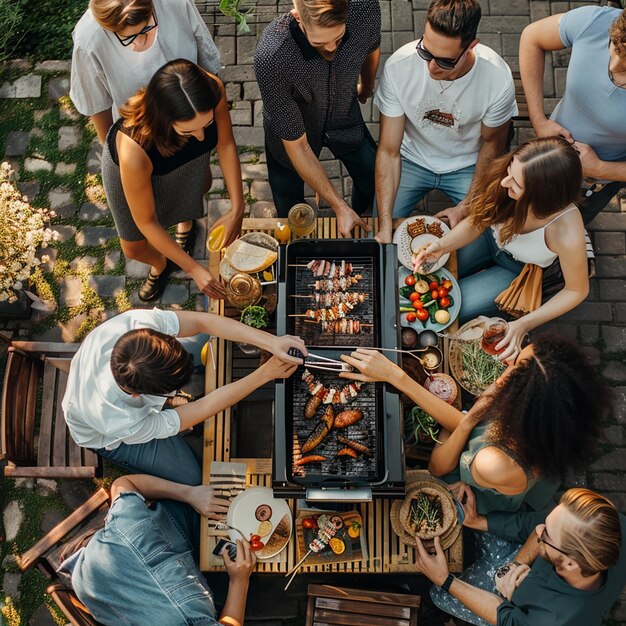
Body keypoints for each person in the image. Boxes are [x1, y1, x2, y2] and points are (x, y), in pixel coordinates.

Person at [340, 333, 608, 516]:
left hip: (484, 485)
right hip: (500, 444)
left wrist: (396, 376)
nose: (506, 365)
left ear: (524, 401)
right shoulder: (557, 409)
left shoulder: (493, 461)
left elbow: (438, 467)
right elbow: (475, 415)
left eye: (513, 368)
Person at [62, 308, 306, 485]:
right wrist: (265, 373)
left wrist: (273, 342)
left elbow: (201, 322)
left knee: (201, 337)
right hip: (109, 438)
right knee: (191, 476)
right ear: (140, 395)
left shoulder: (136, 325)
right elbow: (199, 410)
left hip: (115, 377)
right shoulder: (118, 419)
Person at [415, 137, 589, 363]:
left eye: (516, 184)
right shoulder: (506, 180)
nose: (505, 183)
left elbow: (576, 291)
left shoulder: (566, 232)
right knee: (429, 277)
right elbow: (479, 220)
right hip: (488, 237)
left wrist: (524, 323)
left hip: (515, 269)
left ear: (542, 197)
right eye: (509, 170)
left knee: (451, 309)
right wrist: (442, 246)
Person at [101, 59, 244, 302]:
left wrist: (238, 207)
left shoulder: (210, 91)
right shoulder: (132, 148)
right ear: (163, 119)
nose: (200, 137)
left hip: (184, 161)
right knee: (133, 247)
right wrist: (194, 269)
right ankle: (160, 263)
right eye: (188, 131)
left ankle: (185, 226)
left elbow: (226, 143)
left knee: (195, 190)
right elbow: (147, 222)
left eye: (206, 125)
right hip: (134, 167)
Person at [374, 0, 517, 243]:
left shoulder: (498, 80)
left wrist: (466, 206)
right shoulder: (399, 66)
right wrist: (385, 223)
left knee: (479, 244)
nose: (431, 67)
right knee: (381, 234)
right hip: (411, 158)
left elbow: (492, 145)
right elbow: (388, 151)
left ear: (471, 46)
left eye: (445, 61)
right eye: (425, 52)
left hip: (467, 164)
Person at [254, 0, 380, 238]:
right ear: (297, 17)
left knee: (373, 177)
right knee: (288, 199)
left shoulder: (366, 7)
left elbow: (371, 48)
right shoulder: (271, 56)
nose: (332, 48)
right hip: (293, 132)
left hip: (345, 116)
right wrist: (338, 205)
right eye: (320, 43)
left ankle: (361, 213)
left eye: (339, 38)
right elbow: (299, 148)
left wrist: (367, 86)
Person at [66, 474, 256, 626]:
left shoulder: (131, 528)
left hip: (93, 583)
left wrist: (189, 494)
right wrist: (240, 580)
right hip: (89, 586)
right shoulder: (191, 614)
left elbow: (124, 483)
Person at [418, 487, 626, 626]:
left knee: (439, 595)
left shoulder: (553, 620)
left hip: (514, 607)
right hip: (515, 567)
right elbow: (532, 523)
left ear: (571, 563)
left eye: (546, 533)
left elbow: (507, 618)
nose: (538, 529)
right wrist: (478, 521)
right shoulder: (608, 521)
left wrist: (445, 580)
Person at [519, 5, 626, 225]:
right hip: (546, 152)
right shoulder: (596, 21)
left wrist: (600, 168)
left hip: (594, 185)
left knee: (559, 233)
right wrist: (538, 120)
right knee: (516, 213)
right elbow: (531, 37)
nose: (614, 66)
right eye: (613, 47)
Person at [70, 0, 220, 144]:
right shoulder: (87, 39)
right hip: (141, 138)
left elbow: (208, 67)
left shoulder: (177, 3)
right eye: (127, 38)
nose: (139, 43)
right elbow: (97, 106)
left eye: (146, 29)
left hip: (195, 125)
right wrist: (115, 155)